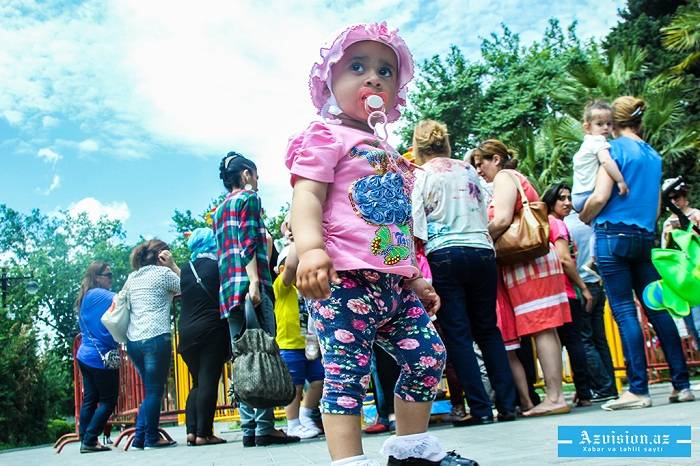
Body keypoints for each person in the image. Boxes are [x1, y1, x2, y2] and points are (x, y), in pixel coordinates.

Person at [287, 22, 477, 466]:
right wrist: (312, 249)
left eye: (386, 71)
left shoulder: (390, 152)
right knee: (346, 375)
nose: (373, 77)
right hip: (344, 281)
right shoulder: (324, 136)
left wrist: (414, 277)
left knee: (428, 358)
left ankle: (411, 452)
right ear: (330, 81)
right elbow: (307, 196)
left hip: (394, 284)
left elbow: (395, 223)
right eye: (358, 66)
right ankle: (350, 461)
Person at [580, 96, 694, 409]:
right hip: (645, 236)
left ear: (613, 123)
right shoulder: (654, 156)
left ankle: (638, 390)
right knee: (656, 308)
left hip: (612, 235)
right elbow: (656, 206)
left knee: (624, 311)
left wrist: (585, 214)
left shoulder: (612, 151)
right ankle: (681, 385)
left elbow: (601, 195)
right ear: (639, 121)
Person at [411, 120, 517, 426]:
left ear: (418, 147)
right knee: (488, 328)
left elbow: (417, 220)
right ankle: (508, 405)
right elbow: (485, 208)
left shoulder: (422, 175)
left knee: (458, 334)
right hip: (482, 250)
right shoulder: (469, 169)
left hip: (445, 253)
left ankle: (481, 409)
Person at [473, 139, 571, 418]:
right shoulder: (516, 177)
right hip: (533, 261)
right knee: (545, 327)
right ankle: (554, 395)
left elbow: (502, 220)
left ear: (497, 160)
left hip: (528, 263)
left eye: (482, 163)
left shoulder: (505, 177)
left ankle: (554, 397)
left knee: (541, 325)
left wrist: (479, 239)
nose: (479, 170)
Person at [213, 151, 300, 447]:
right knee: (263, 352)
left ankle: (249, 428)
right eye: (256, 174)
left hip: (227, 293)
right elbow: (248, 242)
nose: (259, 181)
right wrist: (253, 281)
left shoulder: (219, 209)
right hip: (252, 287)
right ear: (246, 175)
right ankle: (265, 428)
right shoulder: (248, 199)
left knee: (244, 358)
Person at [542, 183, 595, 407]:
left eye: (569, 198)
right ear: (551, 201)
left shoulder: (546, 224)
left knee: (561, 343)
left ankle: (567, 392)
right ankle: (584, 392)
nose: (567, 203)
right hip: (565, 293)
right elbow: (565, 259)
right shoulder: (558, 226)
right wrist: (583, 287)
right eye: (561, 198)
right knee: (575, 343)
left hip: (551, 293)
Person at [125, 239, 180, 449]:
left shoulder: (132, 277)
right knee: (155, 391)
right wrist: (173, 266)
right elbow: (190, 286)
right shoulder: (164, 274)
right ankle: (150, 438)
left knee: (151, 391)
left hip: (134, 341)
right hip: (156, 337)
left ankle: (140, 439)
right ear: (161, 255)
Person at [178, 228, 230, 446]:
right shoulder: (218, 266)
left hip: (186, 333)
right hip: (210, 329)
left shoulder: (185, 269)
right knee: (209, 380)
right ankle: (204, 433)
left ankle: (191, 431)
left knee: (197, 382)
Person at [565, 212, 619, 402]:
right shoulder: (591, 222)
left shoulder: (564, 224)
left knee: (584, 339)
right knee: (599, 339)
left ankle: (602, 387)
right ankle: (610, 387)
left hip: (580, 286)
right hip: (597, 283)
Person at [273, 243, 324, 439]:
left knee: (319, 379)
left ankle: (304, 414)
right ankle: (293, 423)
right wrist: (296, 242)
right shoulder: (282, 287)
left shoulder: (308, 288)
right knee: (295, 385)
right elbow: (290, 268)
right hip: (290, 344)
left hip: (310, 342)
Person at [75, 261, 119, 453]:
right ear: (97, 277)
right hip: (100, 356)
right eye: (108, 275)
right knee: (109, 400)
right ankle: (91, 438)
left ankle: (86, 439)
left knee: (91, 399)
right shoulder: (98, 294)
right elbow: (124, 298)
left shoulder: (87, 296)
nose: (111, 279)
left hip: (85, 354)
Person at [661, 179, 700, 355]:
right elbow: (665, 251)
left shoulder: (697, 215)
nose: (674, 201)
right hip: (681, 280)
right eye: (670, 198)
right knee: (691, 327)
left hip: (697, 274)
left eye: (676, 196)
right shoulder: (667, 223)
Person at [572, 100, 628, 213]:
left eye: (609, 123)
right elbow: (606, 161)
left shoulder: (586, 143)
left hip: (577, 195)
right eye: (599, 124)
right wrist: (620, 180)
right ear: (587, 127)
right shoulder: (598, 141)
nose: (605, 127)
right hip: (588, 195)